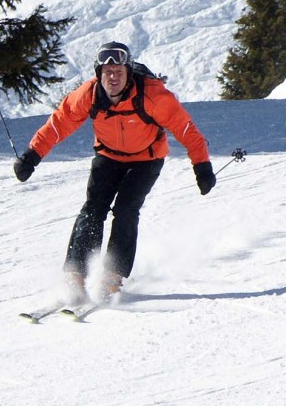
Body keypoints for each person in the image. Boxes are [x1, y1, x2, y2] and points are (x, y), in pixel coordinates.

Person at [13, 41, 216, 304]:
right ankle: (76, 273)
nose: (113, 78)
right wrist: (32, 155)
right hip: (108, 156)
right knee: (93, 208)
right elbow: (59, 124)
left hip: (147, 159)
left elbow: (186, 131)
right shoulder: (89, 94)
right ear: (99, 74)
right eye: (108, 73)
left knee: (126, 210)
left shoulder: (152, 96)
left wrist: (202, 167)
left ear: (129, 72)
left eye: (119, 71)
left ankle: (112, 276)